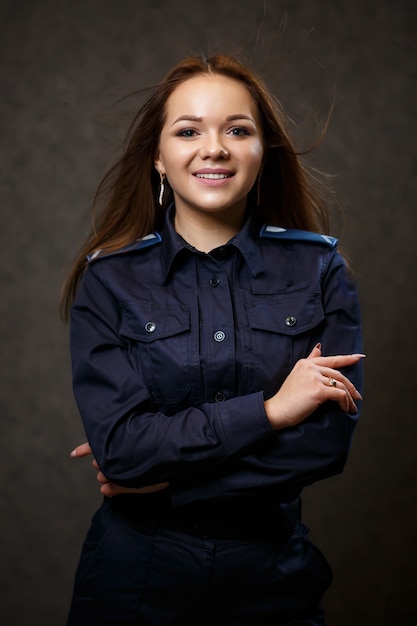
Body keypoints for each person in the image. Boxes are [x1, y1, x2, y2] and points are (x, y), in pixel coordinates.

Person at [62, 54, 364, 626]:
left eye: (237, 129)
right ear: (158, 156)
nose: (214, 148)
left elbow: (325, 446)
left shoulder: (321, 271)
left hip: (273, 579)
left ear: (262, 151)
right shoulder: (108, 280)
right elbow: (124, 450)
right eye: (188, 130)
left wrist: (162, 483)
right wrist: (272, 412)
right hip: (134, 582)